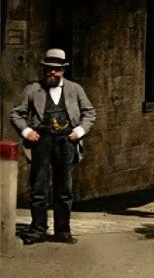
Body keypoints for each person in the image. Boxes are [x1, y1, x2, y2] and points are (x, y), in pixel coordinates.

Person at [8, 48, 96, 245]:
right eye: (49, 69)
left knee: (64, 188)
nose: (52, 73)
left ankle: (62, 231)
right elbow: (16, 113)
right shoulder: (33, 89)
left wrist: (80, 131)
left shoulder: (75, 89)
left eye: (56, 69)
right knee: (38, 187)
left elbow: (90, 113)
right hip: (42, 142)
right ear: (44, 69)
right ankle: (38, 230)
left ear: (63, 70)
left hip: (67, 142)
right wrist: (26, 131)